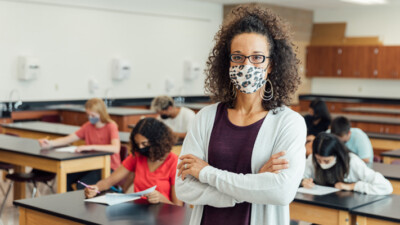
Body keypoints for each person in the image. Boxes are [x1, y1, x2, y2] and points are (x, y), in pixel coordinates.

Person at [175, 5, 306, 225]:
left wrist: (206, 173)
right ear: (228, 62)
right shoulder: (206, 118)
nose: (247, 65)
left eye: (257, 58)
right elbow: (183, 188)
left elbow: (281, 192)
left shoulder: (289, 123)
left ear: (271, 64)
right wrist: (254, 184)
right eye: (238, 57)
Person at [84, 118, 183, 206]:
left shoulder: (174, 162)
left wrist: (161, 199)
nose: (140, 148)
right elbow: (109, 181)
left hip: (163, 216)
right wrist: (95, 188)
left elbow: (178, 207)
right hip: (138, 213)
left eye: (144, 143)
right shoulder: (138, 156)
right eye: (137, 144)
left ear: (157, 141)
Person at [39, 98, 120, 191]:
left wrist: (90, 147)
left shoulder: (111, 126)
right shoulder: (88, 126)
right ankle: (70, 203)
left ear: (101, 113)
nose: (90, 117)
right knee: (66, 178)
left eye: (93, 115)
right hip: (91, 164)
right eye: (88, 115)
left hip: (109, 166)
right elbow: (70, 138)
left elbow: (115, 148)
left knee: (83, 185)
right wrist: (50, 143)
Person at [302, 132, 392, 195]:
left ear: (337, 155)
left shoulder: (352, 161)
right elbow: (299, 175)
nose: (322, 164)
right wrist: (303, 182)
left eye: (326, 161)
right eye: (318, 160)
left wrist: (352, 186)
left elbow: (385, 186)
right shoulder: (312, 159)